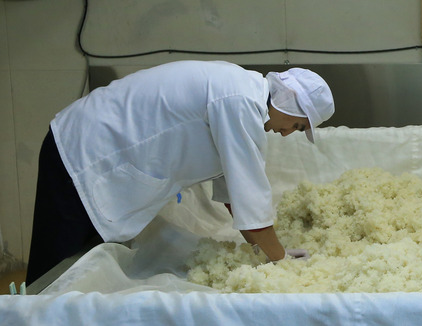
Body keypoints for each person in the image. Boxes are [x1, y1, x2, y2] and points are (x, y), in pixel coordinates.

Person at [26, 60, 335, 285]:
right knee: (54, 278)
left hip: (93, 155)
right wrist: (280, 261)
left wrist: (263, 250)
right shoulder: (239, 102)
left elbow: (237, 197)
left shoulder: (241, 93)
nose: (286, 133)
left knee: (78, 269)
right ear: (289, 102)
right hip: (82, 155)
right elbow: (250, 196)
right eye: (297, 125)